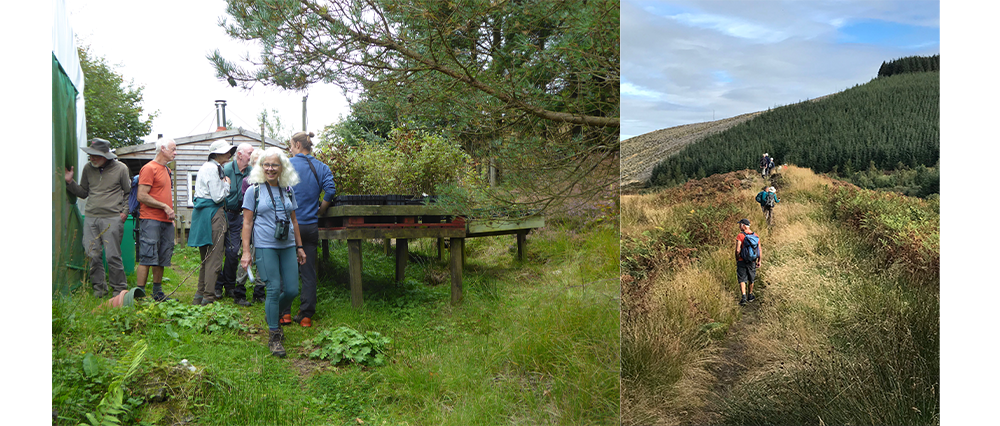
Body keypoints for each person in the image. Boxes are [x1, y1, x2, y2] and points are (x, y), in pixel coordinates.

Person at [240, 148, 307, 357]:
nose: (270, 168)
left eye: (274, 165)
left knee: (293, 290)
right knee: (273, 288)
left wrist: (300, 246)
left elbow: (294, 221)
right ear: (261, 167)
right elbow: (247, 222)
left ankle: (274, 313)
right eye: (266, 165)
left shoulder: (288, 189)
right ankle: (274, 335)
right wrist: (246, 252)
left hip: (287, 246)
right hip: (265, 246)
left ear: (282, 168)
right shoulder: (254, 191)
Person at [280, 131, 336, 327]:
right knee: (309, 271)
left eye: (290, 145)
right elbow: (330, 190)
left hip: (287, 226)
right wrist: (320, 209)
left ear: (297, 145)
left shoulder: (286, 165)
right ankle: (305, 316)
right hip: (310, 225)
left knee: (285, 269)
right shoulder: (321, 167)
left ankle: (284, 314)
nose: (289, 149)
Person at [65, 138, 132, 298]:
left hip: (112, 217)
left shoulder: (121, 168)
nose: (91, 158)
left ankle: (119, 291)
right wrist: (70, 182)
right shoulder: (88, 168)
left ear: (105, 155)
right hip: (91, 217)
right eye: (90, 155)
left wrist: (125, 212)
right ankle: (99, 290)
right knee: (92, 254)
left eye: (95, 155)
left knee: (112, 256)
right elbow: (83, 192)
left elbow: (129, 192)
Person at [189, 140, 236, 305]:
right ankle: (208, 297)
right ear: (216, 153)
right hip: (213, 213)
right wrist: (227, 186)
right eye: (226, 151)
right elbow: (217, 197)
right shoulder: (213, 169)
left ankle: (199, 295)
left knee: (205, 258)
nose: (229, 154)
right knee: (214, 259)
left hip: (202, 214)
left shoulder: (207, 167)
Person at [214, 142, 257, 306]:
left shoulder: (252, 172)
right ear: (240, 155)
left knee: (233, 253)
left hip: (239, 216)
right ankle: (217, 286)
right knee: (218, 251)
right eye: (250, 152)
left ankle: (230, 285)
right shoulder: (225, 169)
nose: (252, 155)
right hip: (223, 213)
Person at [136, 138, 178, 301]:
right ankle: (139, 293)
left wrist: (170, 215)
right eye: (173, 149)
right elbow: (142, 196)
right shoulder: (149, 168)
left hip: (166, 221)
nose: (176, 153)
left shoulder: (167, 170)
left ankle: (157, 293)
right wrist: (164, 207)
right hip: (150, 219)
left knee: (162, 256)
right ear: (162, 149)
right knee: (147, 255)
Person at [735, 218, 762, 306]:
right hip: (752, 261)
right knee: (751, 277)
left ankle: (743, 297)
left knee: (742, 278)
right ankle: (750, 295)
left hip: (742, 260)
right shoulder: (756, 236)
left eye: (740, 225)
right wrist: (759, 261)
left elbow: (737, 250)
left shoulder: (740, 236)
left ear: (743, 226)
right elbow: (759, 250)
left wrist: (737, 258)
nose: (739, 226)